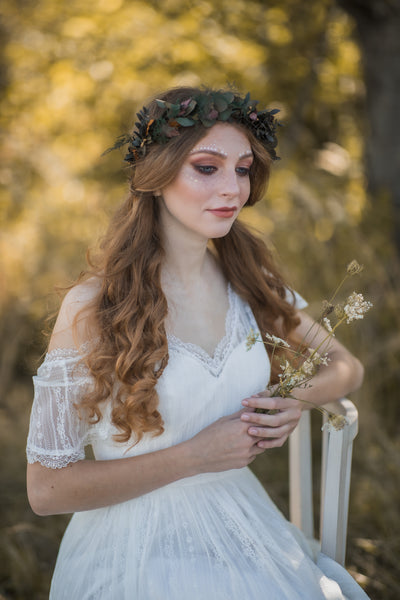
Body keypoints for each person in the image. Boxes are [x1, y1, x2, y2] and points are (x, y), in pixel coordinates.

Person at [26, 86, 369, 599]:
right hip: (136, 550)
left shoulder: (247, 279)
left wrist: (292, 402)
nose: (232, 188)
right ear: (157, 176)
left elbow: (346, 366)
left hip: (244, 524)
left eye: (243, 168)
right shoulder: (93, 305)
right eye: (207, 168)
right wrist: (194, 457)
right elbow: (46, 490)